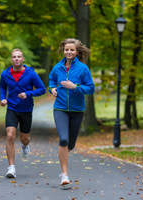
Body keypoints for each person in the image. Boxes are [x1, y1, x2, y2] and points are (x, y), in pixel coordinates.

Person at [48, 38, 95, 185]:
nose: (68, 52)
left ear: (77, 52)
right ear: (63, 50)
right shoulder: (57, 68)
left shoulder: (83, 69)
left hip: (77, 110)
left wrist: (75, 87)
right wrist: (53, 89)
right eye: (66, 49)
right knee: (63, 140)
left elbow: (91, 88)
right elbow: (51, 82)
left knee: (71, 145)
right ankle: (64, 175)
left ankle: (65, 157)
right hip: (60, 108)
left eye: (71, 50)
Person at [0, 48, 46, 179]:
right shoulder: (5, 74)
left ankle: (25, 145)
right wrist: (2, 98)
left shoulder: (31, 74)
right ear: (11, 59)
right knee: (9, 135)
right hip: (12, 108)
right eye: (14, 57)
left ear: (23, 59)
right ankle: (11, 168)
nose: (17, 59)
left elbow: (42, 89)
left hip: (26, 110)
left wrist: (28, 94)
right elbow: (2, 87)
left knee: (24, 137)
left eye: (19, 56)